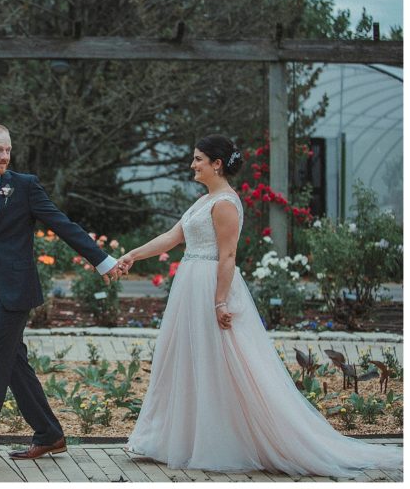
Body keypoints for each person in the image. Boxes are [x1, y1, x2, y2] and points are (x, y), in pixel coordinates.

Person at [116, 135, 402, 477]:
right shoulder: (204, 201)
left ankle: (225, 440)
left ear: (216, 164)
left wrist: (220, 300)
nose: (193, 165)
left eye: (198, 159)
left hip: (210, 285)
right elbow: (173, 236)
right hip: (189, 288)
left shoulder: (224, 204)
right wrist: (133, 254)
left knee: (224, 361)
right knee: (187, 360)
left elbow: (228, 255)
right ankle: (174, 438)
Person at [0, 123, 124, 472]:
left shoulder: (24, 187)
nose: (5, 156)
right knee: (14, 364)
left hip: (15, 292)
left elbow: (62, 224)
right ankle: (49, 433)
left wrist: (103, 260)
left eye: (8, 150)